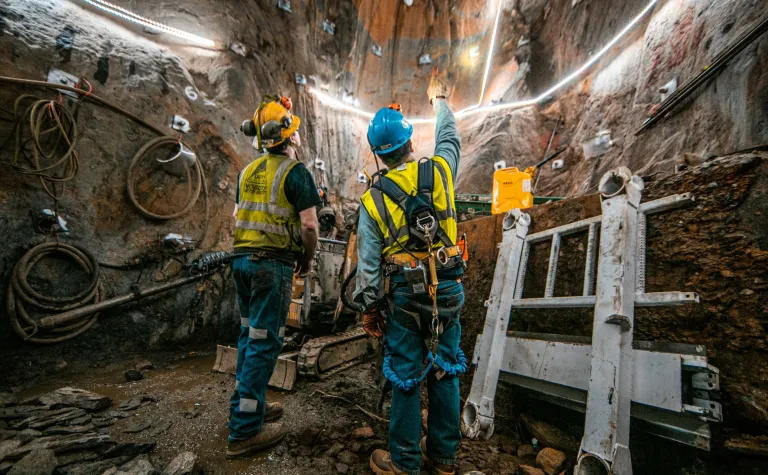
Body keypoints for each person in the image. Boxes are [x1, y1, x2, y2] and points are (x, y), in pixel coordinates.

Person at [354, 74, 465, 475]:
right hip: (449, 291)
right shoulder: (439, 172)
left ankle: (403, 463)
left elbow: (367, 270)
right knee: (445, 368)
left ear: (377, 156)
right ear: (411, 143)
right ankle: (443, 459)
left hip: (404, 298)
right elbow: (450, 139)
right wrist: (439, 101)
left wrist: (369, 310)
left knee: (405, 375)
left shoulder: (371, 200)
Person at [227, 98, 321, 458]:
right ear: (286, 137)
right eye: (293, 132)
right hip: (271, 266)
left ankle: (249, 405)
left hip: (242, 263)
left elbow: (237, 218)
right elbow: (310, 226)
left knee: (249, 337)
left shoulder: (247, 172)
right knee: (265, 342)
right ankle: (244, 430)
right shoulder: (295, 172)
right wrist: (308, 262)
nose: (296, 138)